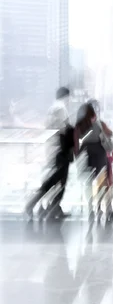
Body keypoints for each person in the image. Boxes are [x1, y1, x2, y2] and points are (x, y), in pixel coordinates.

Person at [24, 87, 73, 221]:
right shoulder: (61, 108)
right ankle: (35, 204)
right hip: (60, 151)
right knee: (56, 181)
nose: (70, 101)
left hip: (53, 149)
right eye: (69, 98)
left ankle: (53, 207)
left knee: (56, 181)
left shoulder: (51, 108)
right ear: (66, 96)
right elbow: (63, 129)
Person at [74, 102, 113, 222]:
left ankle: (90, 208)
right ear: (92, 113)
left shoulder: (78, 127)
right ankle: (102, 208)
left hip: (86, 156)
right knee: (103, 182)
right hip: (100, 156)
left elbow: (76, 145)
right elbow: (110, 133)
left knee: (88, 184)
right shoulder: (99, 124)